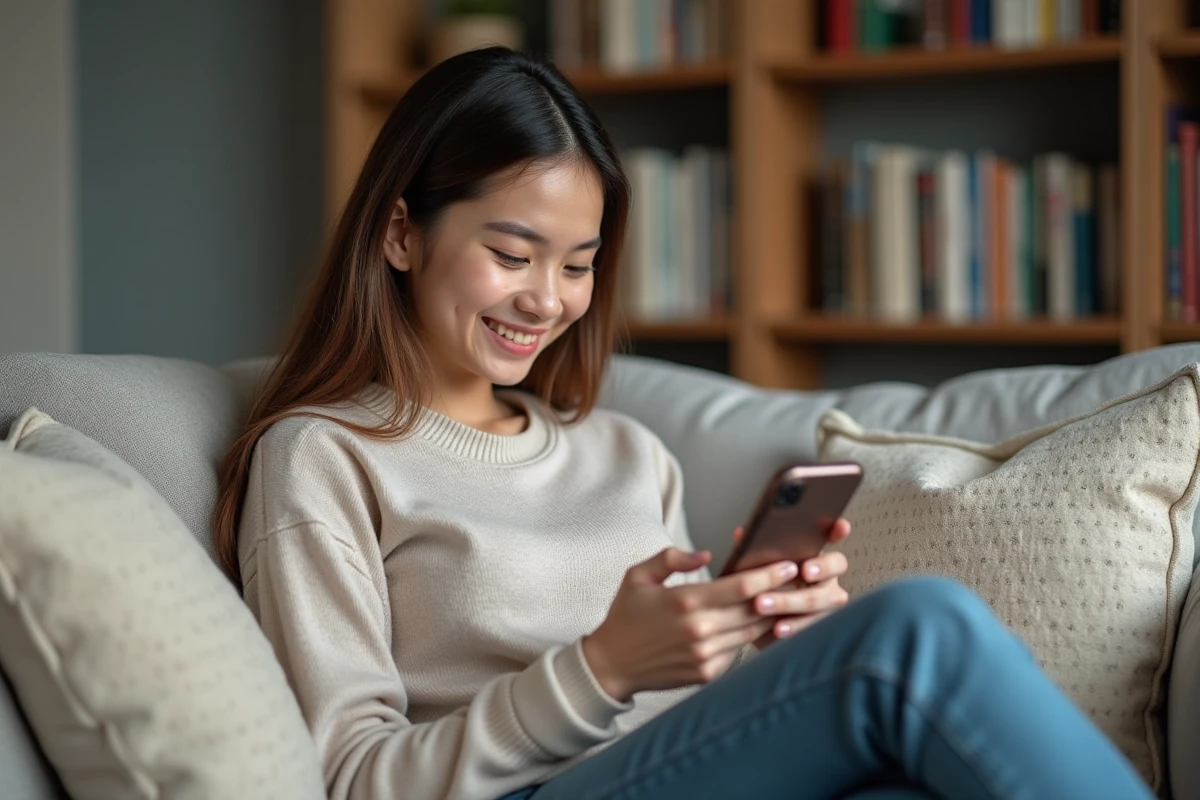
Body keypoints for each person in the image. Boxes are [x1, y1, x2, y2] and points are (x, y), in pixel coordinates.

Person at [212, 47, 1152, 800]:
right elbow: (348, 779)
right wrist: (601, 669)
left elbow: (687, 716)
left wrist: (765, 644)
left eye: (578, 265)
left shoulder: (625, 452)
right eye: (512, 253)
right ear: (401, 233)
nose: (546, 300)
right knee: (917, 627)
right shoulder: (323, 458)